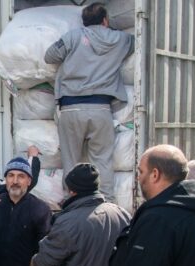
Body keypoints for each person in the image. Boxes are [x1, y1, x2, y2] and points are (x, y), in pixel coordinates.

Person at [45, 3, 134, 202]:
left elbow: (49, 56)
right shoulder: (121, 39)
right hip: (101, 108)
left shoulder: (74, 36)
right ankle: (108, 204)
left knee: (71, 161)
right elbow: (136, 43)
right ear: (105, 21)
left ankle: (71, 202)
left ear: (84, 22)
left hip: (71, 109)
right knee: (102, 161)